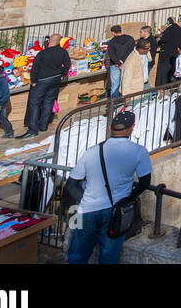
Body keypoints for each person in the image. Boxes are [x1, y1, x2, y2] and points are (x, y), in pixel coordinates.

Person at [65, 110, 153, 264]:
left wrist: (85, 200)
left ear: (111, 128)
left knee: (76, 257)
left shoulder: (91, 152)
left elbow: (71, 185)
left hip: (86, 211)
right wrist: (129, 198)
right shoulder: (139, 152)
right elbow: (145, 182)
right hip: (115, 212)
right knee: (108, 258)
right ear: (131, 128)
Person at [17, 34, 70, 139]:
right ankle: (43, 126)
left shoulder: (42, 53)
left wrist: (33, 81)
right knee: (48, 101)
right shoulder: (63, 52)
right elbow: (67, 64)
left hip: (42, 80)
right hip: (55, 79)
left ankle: (32, 129)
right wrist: (63, 75)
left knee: (34, 103)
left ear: (49, 40)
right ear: (59, 42)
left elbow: (35, 68)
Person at [105, 25, 136, 98]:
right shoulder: (130, 39)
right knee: (127, 82)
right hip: (127, 63)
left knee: (115, 85)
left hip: (115, 65)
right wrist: (124, 62)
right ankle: (126, 99)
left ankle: (114, 104)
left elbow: (111, 54)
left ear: (113, 32)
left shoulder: (112, 42)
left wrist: (118, 63)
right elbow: (132, 51)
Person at [155, 19, 181, 87]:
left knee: (164, 70)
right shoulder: (178, 28)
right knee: (172, 69)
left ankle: (163, 85)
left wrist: (159, 40)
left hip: (167, 52)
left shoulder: (170, 29)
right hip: (174, 52)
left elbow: (164, 39)